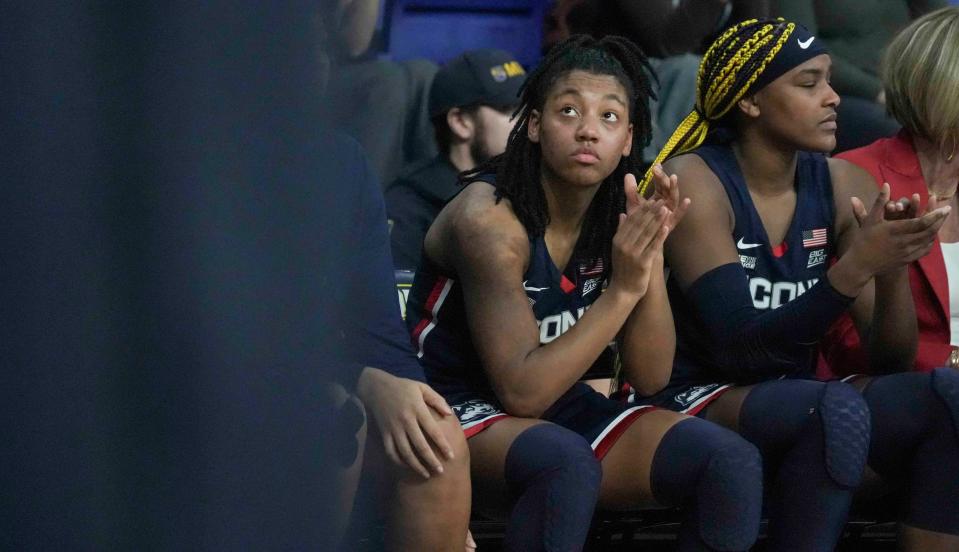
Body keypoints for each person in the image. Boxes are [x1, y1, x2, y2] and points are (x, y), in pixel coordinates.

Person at [407, 35, 764, 552]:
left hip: (551, 403)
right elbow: (521, 393)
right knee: (564, 462)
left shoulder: (623, 207)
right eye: (568, 110)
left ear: (629, 138)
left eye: (609, 117)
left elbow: (650, 377)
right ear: (532, 125)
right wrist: (620, 291)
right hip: (447, 404)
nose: (588, 130)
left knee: (729, 462)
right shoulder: (488, 222)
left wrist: (649, 258)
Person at [631, 17, 959, 551]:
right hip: (697, 397)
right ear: (751, 102)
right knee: (829, 409)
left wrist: (895, 261)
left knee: (949, 396)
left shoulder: (841, 182)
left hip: (799, 399)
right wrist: (854, 268)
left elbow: (890, 362)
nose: (833, 98)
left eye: (830, 80)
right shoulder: (695, 182)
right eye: (808, 83)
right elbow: (741, 348)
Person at [821, 6, 959, 375]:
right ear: (944, 91)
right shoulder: (856, 176)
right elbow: (846, 338)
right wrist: (951, 361)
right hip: (900, 393)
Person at [386, 49, 524, 270]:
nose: (524, 123)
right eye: (508, 109)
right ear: (460, 122)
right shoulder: (410, 209)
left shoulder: (528, 195)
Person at [769, 0, 947, 152]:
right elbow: (802, 48)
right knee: (907, 132)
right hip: (841, 92)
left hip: (912, 84)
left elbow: (942, 28)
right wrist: (878, 91)